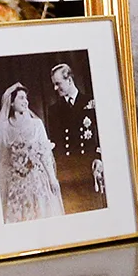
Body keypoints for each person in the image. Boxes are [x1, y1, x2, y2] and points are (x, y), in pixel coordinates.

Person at [0, 82, 63, 223]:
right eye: (21, 98)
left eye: (26, 98)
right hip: (16, 183)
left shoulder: (36, 124)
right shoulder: (4, 128)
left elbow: (44, 153)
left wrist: (52, 179)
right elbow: (1, 158)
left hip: (37, 180)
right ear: (11, 103)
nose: (26, 101)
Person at [42, 61, 105, 212]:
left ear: (69, 80)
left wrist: (98, 158)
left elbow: (101, 135)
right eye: (54, 85)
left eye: (58, 84)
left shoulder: (90, 102)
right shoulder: (54, 110)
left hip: (89, 167)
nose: (55, 88)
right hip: (67, 171)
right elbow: (55, 144)